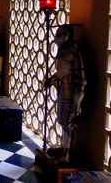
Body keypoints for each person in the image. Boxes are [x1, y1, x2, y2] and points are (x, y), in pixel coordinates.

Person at [44, 24, 86, 163]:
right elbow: (62, 70)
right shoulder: (63, 50)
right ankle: (63, 148)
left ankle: (68, 154)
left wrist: (78, 98)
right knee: (62, 120)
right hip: (63, 86)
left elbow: (81, 76)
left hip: (71, 89)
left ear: (66, 36)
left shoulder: (74, 51)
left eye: (59, 35)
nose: (56, 38)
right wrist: (52, 79)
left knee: (69, 122)